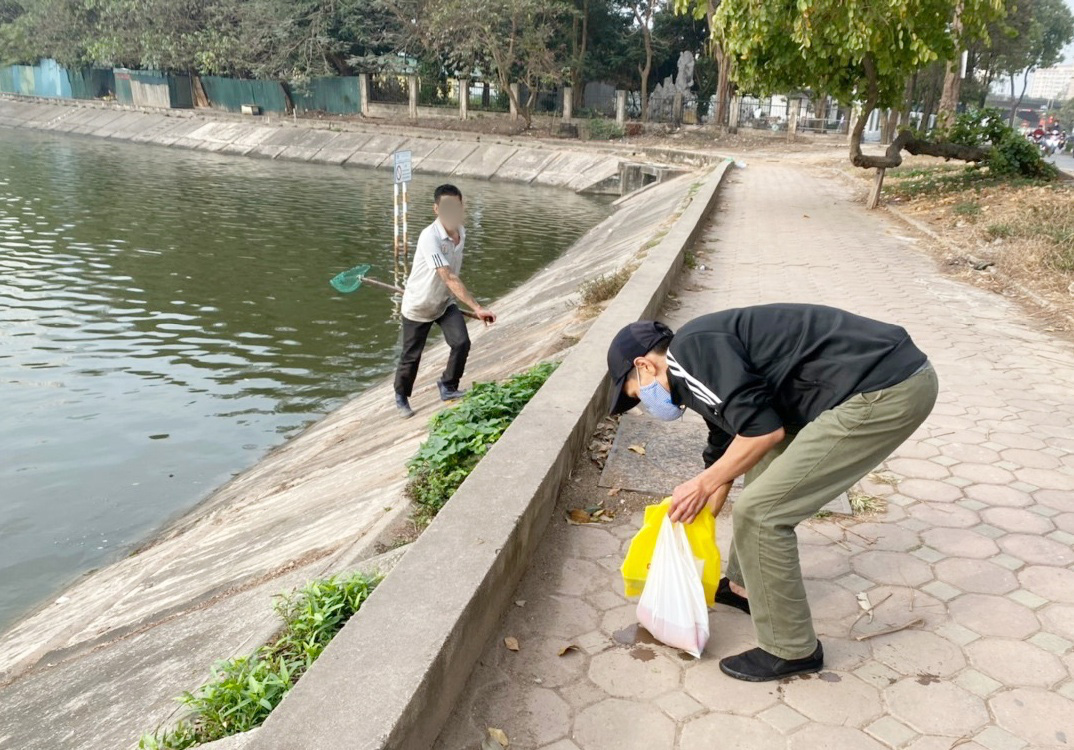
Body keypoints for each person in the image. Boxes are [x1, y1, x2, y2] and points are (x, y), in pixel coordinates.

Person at [606, 303, 938, 681]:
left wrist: (701, 484)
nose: (644, 405)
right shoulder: (693, 364)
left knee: (761, 513)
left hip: (886, 388)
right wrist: (707, 506)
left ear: (644, 366)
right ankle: (741, 586)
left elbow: (762, 432)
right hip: (875, 378)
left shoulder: (691, 355)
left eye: (635, 395)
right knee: (760, 470)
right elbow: (729, 435)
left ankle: (792, 649)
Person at [394, 184, 496, 418]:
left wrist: (462, 301)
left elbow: (451, 279)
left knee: (461, 343)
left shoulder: (461, 231)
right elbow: (448, 276)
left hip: (444, 302)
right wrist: (477, 308)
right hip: (419, 304)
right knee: (411, 356)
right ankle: (401, 396)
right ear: (436, 209)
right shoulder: (429, 237)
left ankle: (448, 385)